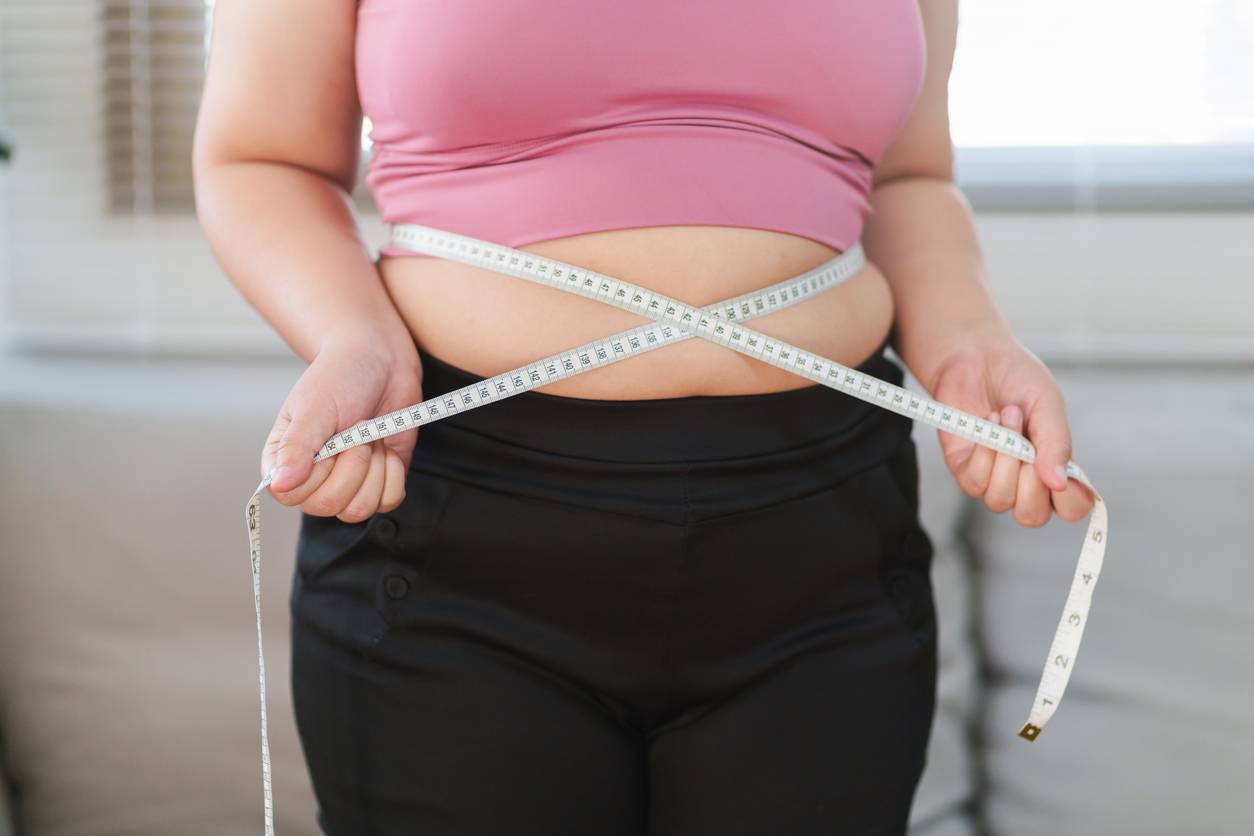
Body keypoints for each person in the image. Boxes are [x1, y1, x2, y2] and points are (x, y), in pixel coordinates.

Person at [193, 0, 1096, 833]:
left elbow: (907, 177)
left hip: (826, 540)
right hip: (453, 520)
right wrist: (354, 338)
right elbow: (261, 156)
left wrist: (971, 345)